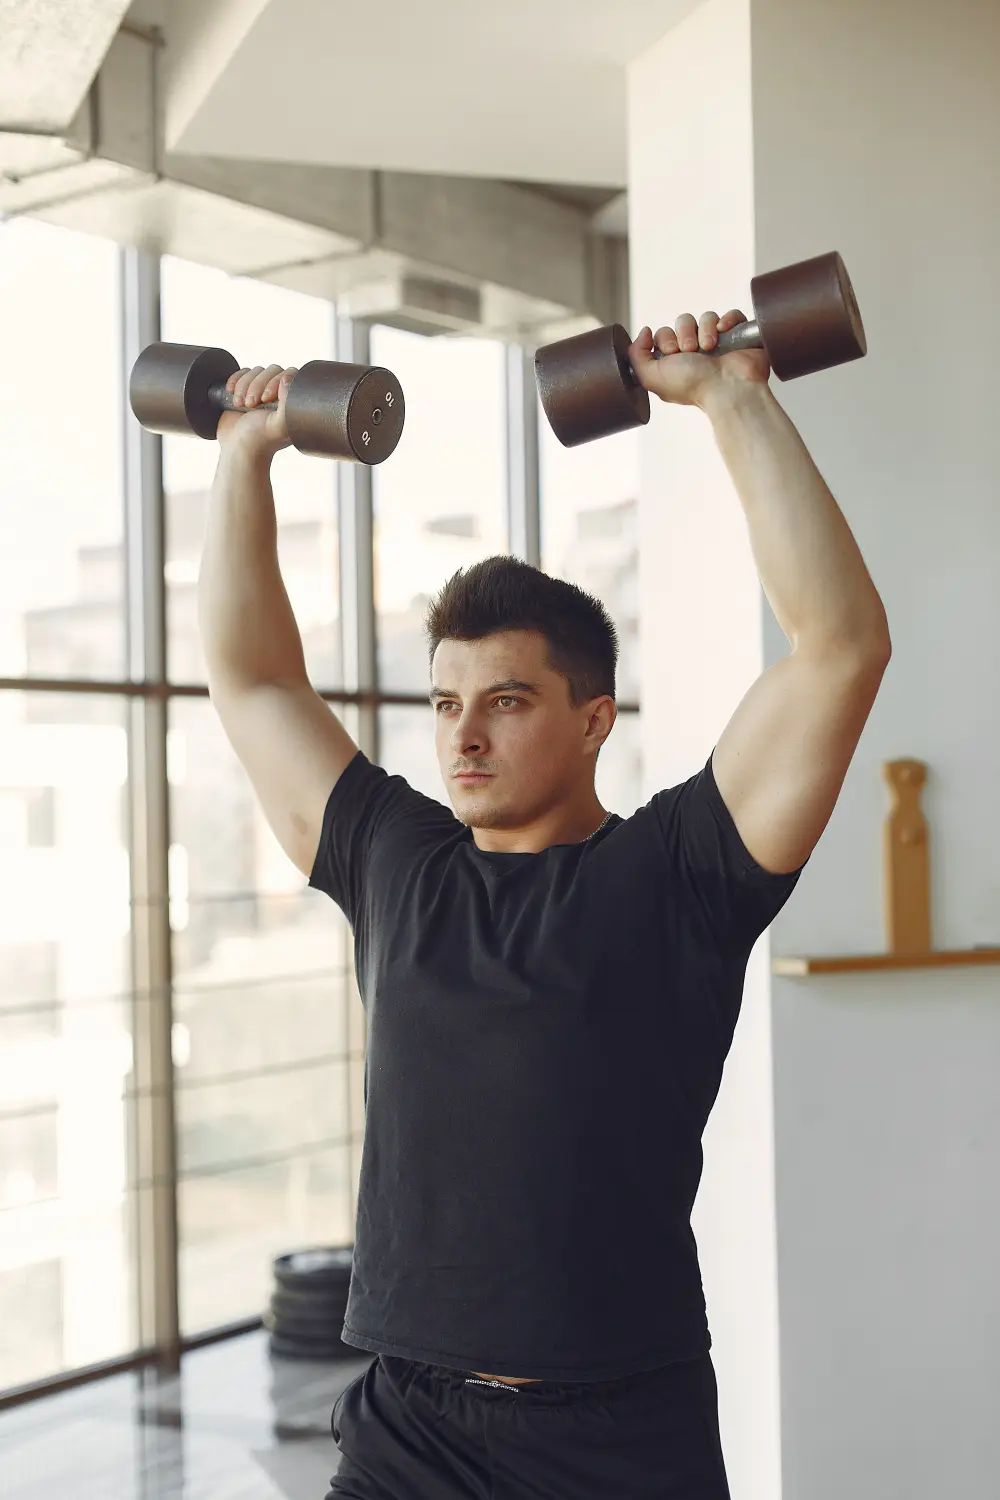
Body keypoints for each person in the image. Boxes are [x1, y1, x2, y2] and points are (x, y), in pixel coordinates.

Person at [199, 308, 891, 1499]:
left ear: (590, 720)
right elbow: (254, 677)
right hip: (404, 1427)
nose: (463, 733)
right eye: (445, 702)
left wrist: (731, 396)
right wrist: (241, 454)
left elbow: (838, 646)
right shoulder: (394, 861)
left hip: (615, 1435)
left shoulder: (680, 873)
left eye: (507, 701)